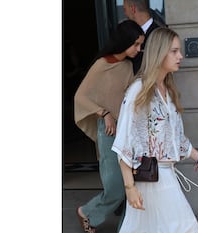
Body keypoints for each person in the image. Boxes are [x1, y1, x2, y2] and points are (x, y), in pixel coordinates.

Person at [112, 27, 198, 233]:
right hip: (151, 178)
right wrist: (130, 188)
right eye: (174, 51)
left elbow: (177, 139)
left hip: (165, 175)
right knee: (187, 228)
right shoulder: (139, 91)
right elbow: (124, 141)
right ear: (160, 52)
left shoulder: (167, 91)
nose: (180, 56)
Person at [74, 20, 145, 233]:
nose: (139, 49)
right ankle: (87, 212)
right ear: (124, 42)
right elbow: (81, 97)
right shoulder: (102, 65)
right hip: (109, 132)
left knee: (131, 185)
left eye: (141, 45)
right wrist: (104, 113)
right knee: (115, 187)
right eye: (136, 44)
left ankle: (128, 228)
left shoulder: (127, 66)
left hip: (128, 131)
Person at [123, 0, 164, 74]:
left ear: (133, 9)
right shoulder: (126, 34)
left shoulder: (161, 35)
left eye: (125, 10)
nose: (124, 14)